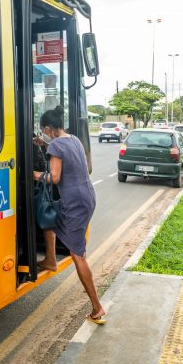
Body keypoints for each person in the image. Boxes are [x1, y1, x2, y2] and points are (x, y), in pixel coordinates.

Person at [32, 106, 106, 325]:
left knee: (77, 255)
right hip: (86, 196)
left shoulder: (56, 145)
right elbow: (64, 153)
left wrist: (31, 173)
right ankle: (51, 260)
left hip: (74, 202)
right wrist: (44, 145)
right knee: (49, 219)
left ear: (47, 128)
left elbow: (54, 177)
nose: (43, 133)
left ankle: (97, 308)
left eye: (43, 130)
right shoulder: (72, 139)